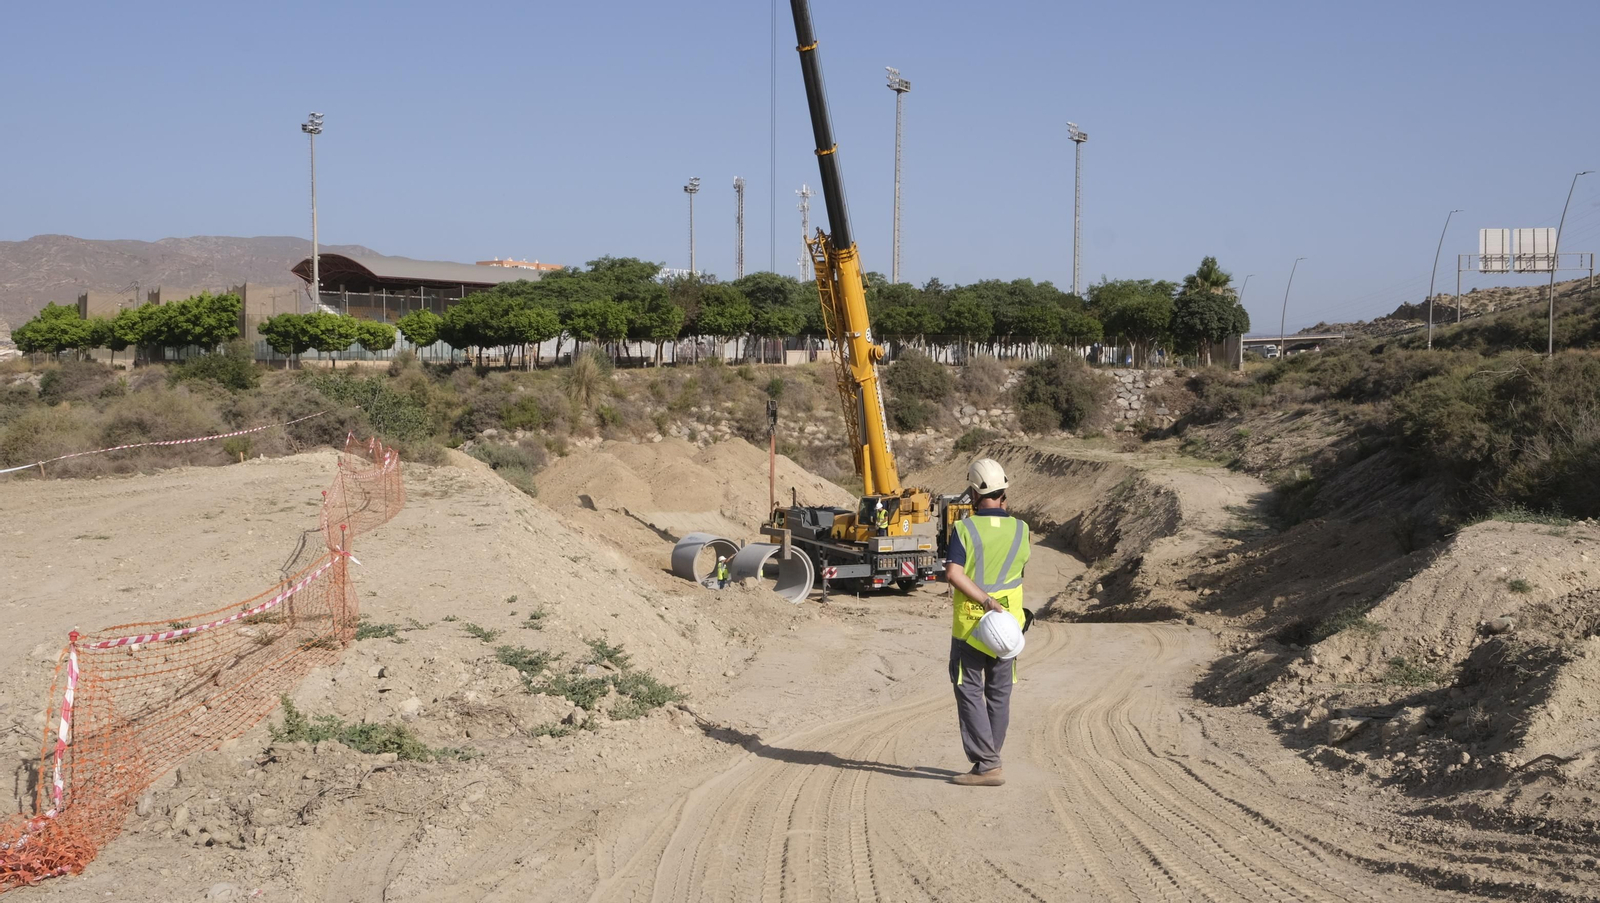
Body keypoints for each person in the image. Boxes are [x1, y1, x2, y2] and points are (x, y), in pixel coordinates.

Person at [943, 457, 1030, 787]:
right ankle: (989, 761)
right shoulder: (1022, 530)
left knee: (968, 690)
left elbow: (953, 574)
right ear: (1003, 492)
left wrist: (984, 600)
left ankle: (989, 764)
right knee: (999, 694)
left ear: (973, 493)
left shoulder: (964, 529)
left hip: (972, 626)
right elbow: (1018, 576)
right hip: (1009, 627)